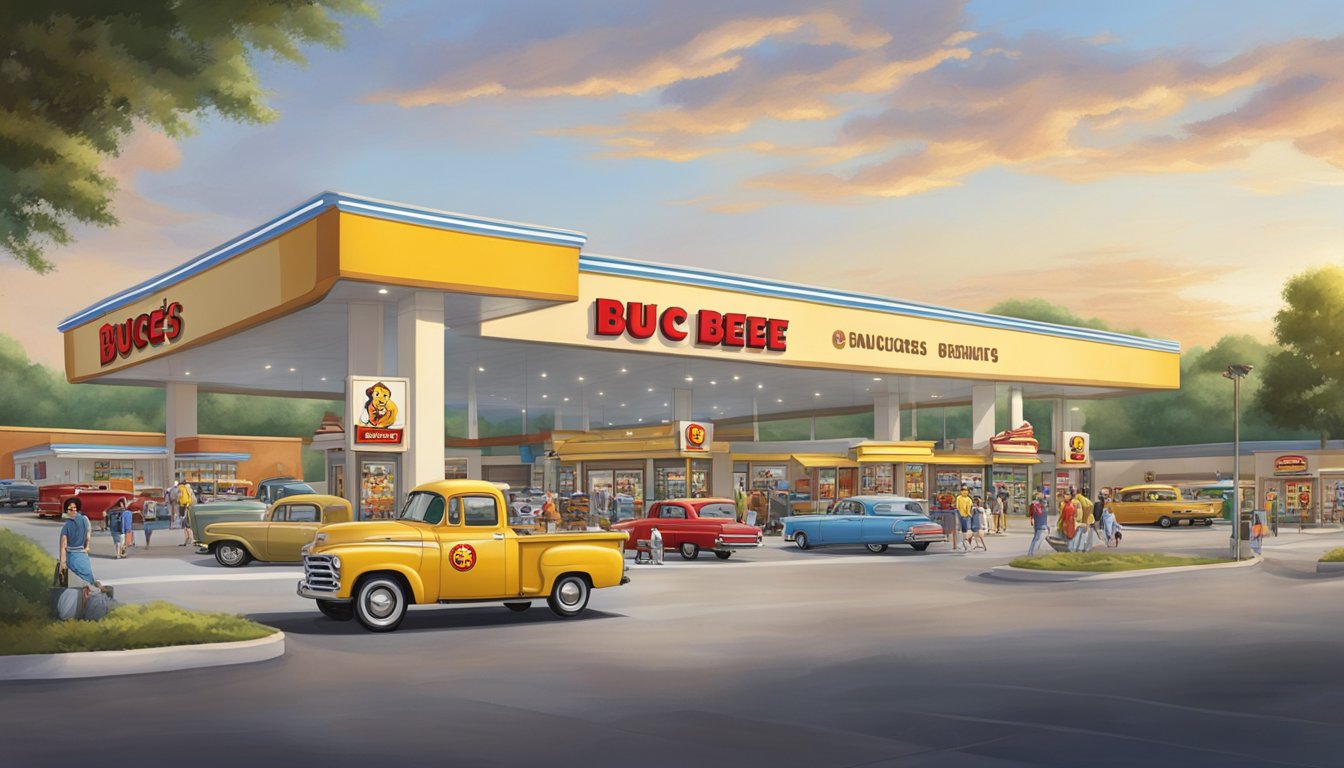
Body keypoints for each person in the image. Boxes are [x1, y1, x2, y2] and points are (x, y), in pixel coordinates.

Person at [58, 497, 101, 591]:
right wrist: (87, 547)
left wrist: (62, 564)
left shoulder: (66, 526)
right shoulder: (84, 520)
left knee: (76, 584)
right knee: (88, 579)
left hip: (71, 557)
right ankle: (95, 590)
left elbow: (63, 546)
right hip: (82, 555)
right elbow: (88, 536)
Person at [955, 486, 973, 552]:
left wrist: (968, 514)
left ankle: (965, 544)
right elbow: (957, 507)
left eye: (966, 490)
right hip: (961, 516)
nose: (964, 492)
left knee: (965, 531)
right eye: (963, 490)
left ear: (968, 492)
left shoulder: (969, 499)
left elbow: (968, 510)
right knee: (962, 531)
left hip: (965, 517)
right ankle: (963, 544)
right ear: (961, 491)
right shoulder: (959, 498)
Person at [178, 481, 196, 546]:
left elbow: (181, 498)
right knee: (187, 524)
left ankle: (191, 539)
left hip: (184, 507)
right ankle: (188, 539)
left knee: (185, 524)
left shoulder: (181, 488)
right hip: (190, 506)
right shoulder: (189, 489)